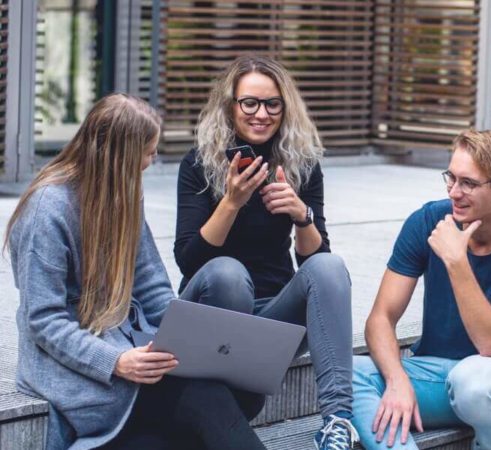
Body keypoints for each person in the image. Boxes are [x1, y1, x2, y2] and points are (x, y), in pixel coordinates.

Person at [5, 93, 267, 450]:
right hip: (81, 368)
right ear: (120, 156)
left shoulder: (124, 193)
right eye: (148, 151)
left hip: (132, 348)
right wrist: (115, 361)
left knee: (240, 394)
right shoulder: (46, 210)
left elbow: (152, 285)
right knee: (208, 401)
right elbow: (44, 320)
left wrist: (185, 341)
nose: (152, 160)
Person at [174, 54, 357, 449]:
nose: (261, 114)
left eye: (272, 103)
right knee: (227, 273)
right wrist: (231, 202)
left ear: (285, 107)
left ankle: (337, 422)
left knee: (330, 266)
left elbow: (314, 265)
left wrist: (301, 216)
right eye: (249, 103)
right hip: (212, 313)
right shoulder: (199, 165)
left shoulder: (301, 165)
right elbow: (188, 261)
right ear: (231, 107)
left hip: (272, 318)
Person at [352, 130, 491, 450]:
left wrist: (456, 260)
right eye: (450, 177)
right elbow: (381, 318)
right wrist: (396, 381)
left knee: (474, 381)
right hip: (434, 373)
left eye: (469, 183)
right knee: (348, 372)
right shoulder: (427, 220)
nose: (454, 192)